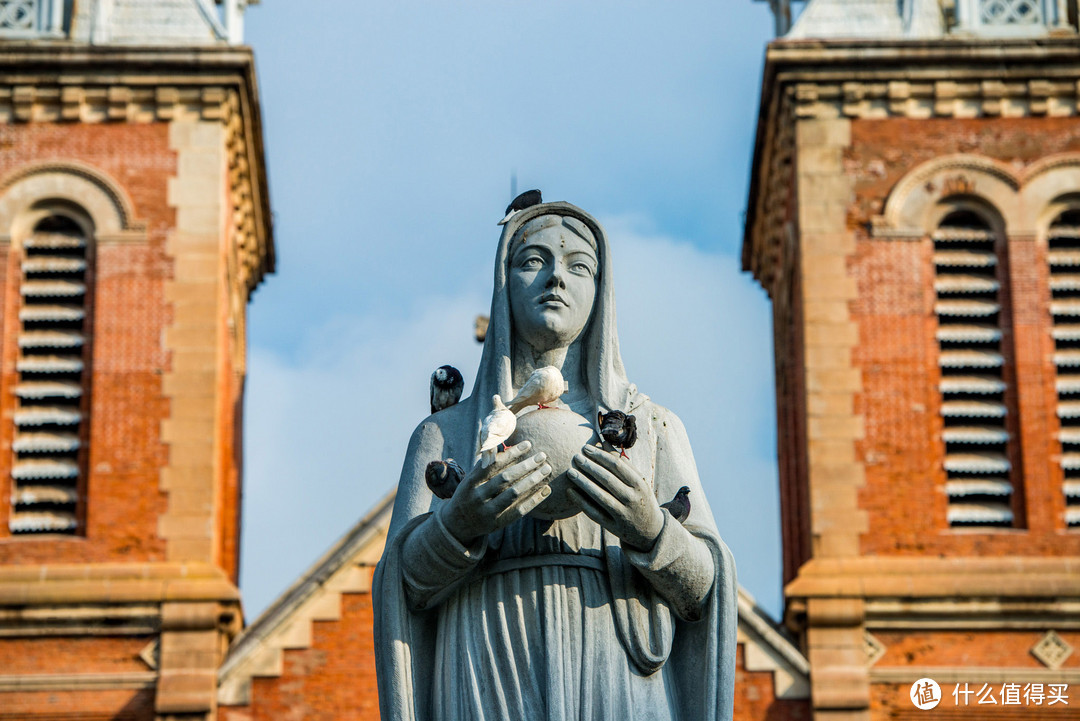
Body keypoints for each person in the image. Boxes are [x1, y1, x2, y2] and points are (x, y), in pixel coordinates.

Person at [374, 201, 737, 721]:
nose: (556, 280)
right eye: (532, 261)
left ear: (601, 290)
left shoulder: (652, 427)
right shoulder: (447, 432)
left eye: (579, 267)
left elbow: (705, 584)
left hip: (616, 658)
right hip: (487, 656)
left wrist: (650, 528)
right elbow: (401, 583)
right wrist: (458, 525)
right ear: (504, 283)